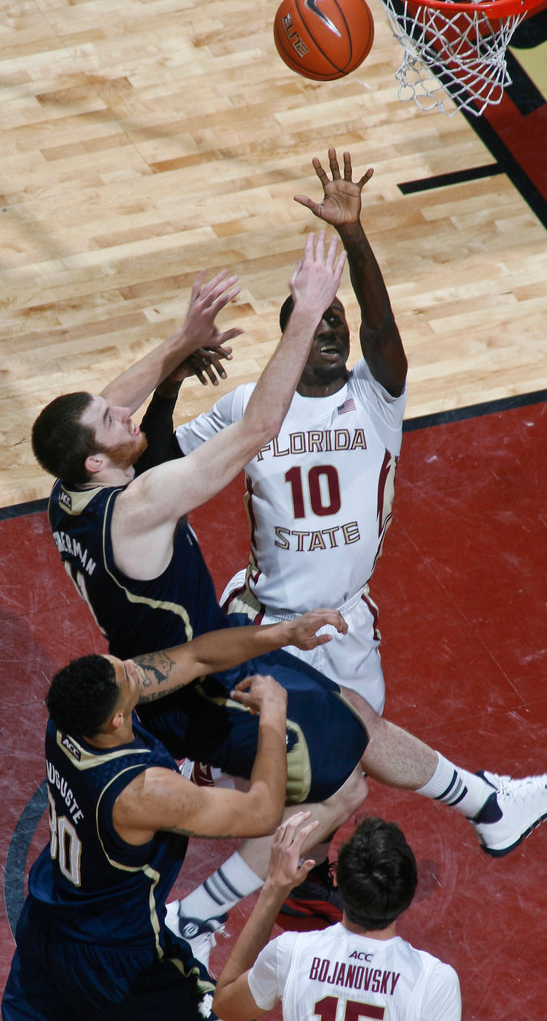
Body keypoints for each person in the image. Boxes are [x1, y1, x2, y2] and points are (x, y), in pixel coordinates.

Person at [31, 197, 547, 964]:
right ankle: (195, 915)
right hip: (205, 668)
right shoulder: (145, 495)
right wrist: (303, 308)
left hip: (216, 648)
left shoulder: (68, 495)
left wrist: (182, 341)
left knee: (351, 720)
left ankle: (489, 802)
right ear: (98, 460)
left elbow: (112, 410)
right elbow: (254, 428)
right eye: (111, 421)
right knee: (339, 786)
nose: (121, 411)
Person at [2, 611, 356, 1021]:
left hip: (47, 919)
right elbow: (262, 811)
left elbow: (195, 657)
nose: (134, 667)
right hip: (115, 956)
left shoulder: (67, 721)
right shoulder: (143, 792)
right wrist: (275, 714)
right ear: (117, 720)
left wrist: (283, 633)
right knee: (216, 1012)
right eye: (127, 676)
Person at [177, 149, 407, 715]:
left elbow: (380, 325)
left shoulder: (374, 397)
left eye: (338, 319)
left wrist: (353, 234)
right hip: (268, 623)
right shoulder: (247, 407)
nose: (330, 326)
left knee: (352, 769)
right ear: (292, 335)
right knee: (257, 772)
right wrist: (169, 379)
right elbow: (161, 461)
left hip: (347, 621)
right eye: (316, 318)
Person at [212, 813, 462, 1021]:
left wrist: (274, 888)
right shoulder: (436, 982)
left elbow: (226, 1006)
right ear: (409, 893)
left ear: (337, 879)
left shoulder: (291, 952)